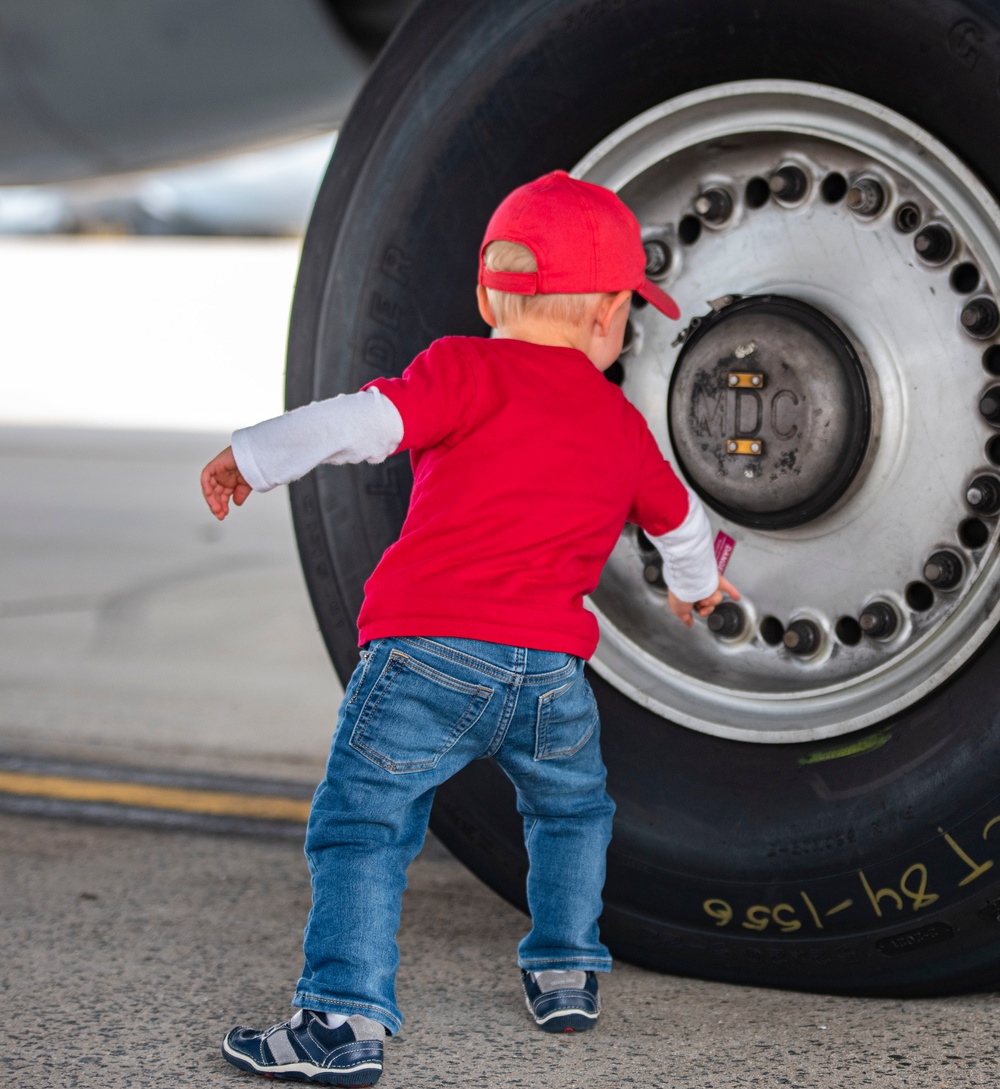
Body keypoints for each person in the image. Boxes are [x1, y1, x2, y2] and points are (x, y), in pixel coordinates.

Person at [200, 169, 739, 1086]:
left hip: (427, 655)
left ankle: (341, 1020)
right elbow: (681, 523)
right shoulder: (619, 423)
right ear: (612, 317)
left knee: (365, 825)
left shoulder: (461, 367)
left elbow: (359, 423)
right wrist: (697, 589)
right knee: (571, 813)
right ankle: (566, 967)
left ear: (488, 292)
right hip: (550, 678)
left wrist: (252, 456)